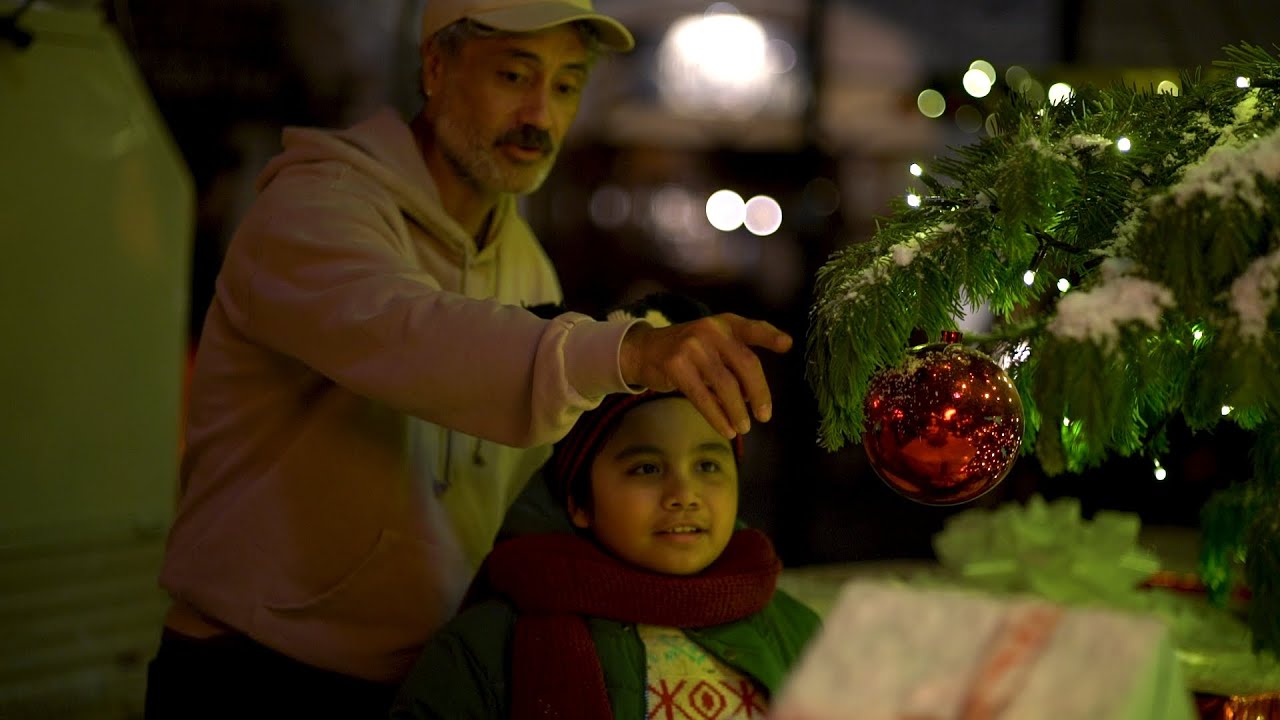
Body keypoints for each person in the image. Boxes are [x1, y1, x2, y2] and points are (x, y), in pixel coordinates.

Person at [144, 1, 793, 717]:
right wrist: (629, 350)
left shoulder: (525, 265)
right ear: (435, 67)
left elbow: (523, 494)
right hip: (255, 672)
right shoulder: (316, 208)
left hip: (428, 676)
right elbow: (412, 337)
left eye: (567, 86)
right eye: (514, 75)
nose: (540, 115)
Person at [390, 298, 821, 719]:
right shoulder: (488, 648)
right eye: (647, 468)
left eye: (707, 465)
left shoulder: (796, 633)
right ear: (580, 501)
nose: (683, 494)